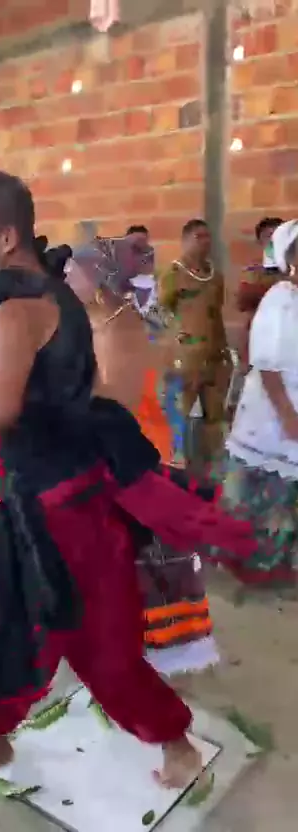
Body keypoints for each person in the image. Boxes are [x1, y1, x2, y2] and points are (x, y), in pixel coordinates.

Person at [0, 170, 255, 788]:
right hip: (39, 496)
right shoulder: (50, 294)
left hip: (61, 508)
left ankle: (166, 742)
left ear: (6, 237)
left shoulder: (20, 309)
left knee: (86, 642)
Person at [65, 238, 219, 676]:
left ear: (98, 282)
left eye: (72, 273)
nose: (64, 280)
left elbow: (112, 407)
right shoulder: (94, 320)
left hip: (136, 457)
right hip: (118, 453)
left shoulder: (122, 328)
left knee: (143, 562)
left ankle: (150, 658)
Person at [221, 219, 298, 588]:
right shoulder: (281, 298)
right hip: (273, 410)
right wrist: (288, 416)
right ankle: (246, 567)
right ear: (291, 258)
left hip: (290, 407)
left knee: (283, 496)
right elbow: (267, 364)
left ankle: (274, 563)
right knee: (259, 492)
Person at [158, 220, 232, 471]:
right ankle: (175, 467)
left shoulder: (215, 277)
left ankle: (214, 471)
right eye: (199, 237)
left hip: (213, 357)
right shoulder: (172, 275)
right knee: (179, 415)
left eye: (208, 237)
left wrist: (224, 352)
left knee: (215, 417)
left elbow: (216, 315)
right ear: (185, 240)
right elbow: (161, 312)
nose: (205, 242)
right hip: (184, 358)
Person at [236, 217, 283, 369]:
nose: (274, 241)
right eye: (268, 236)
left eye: (278, 236)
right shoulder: (253, 271)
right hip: (259, 342)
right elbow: (242, 302)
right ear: (260, 242)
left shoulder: (293, 269)